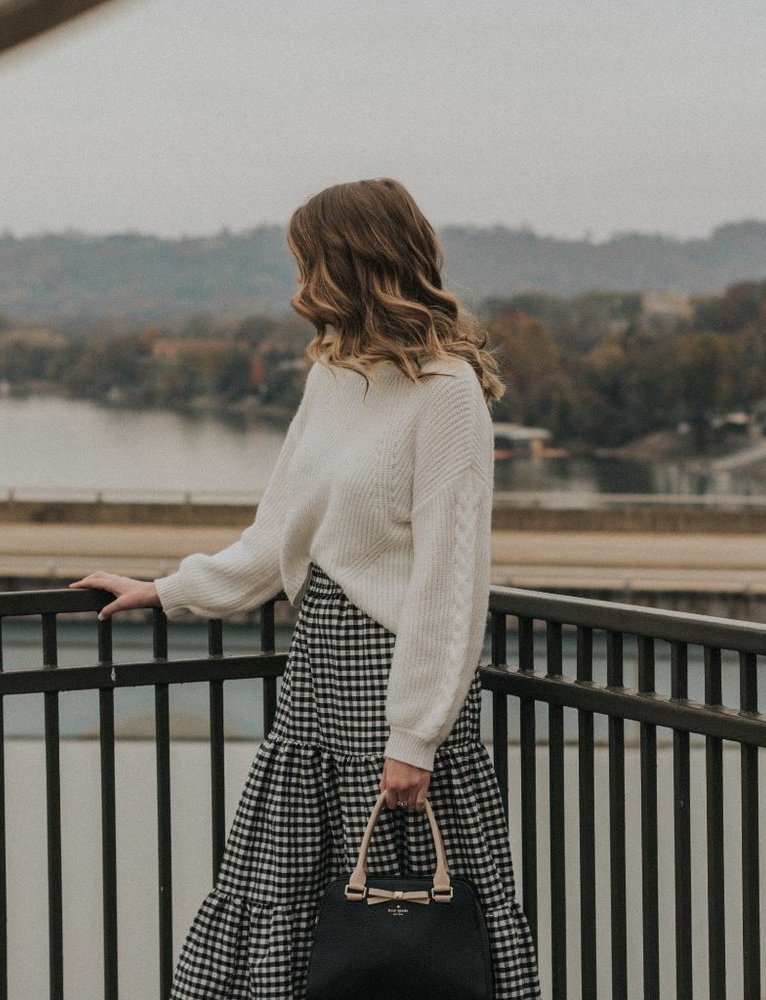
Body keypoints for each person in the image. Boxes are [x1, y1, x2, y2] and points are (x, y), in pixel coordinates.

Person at [72, 178, 542, 999]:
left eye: (309, 262)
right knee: (285, 895)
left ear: (354, 264)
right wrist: (168, 590)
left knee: (399, 918)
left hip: (390, 683)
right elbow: (279, 533)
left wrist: (415, 738)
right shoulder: (335, 376)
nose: (299, 285)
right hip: (317, 674)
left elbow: (449, 580)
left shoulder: (448, 394)